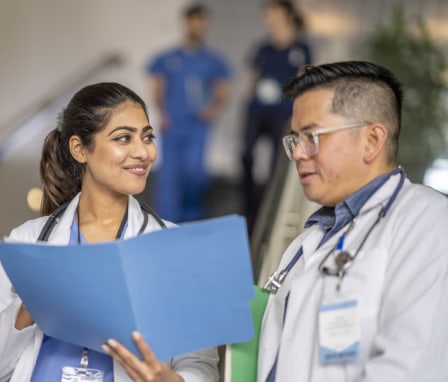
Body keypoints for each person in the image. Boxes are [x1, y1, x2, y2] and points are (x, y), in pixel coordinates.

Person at [0, 82, 219, 381]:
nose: (143, 152)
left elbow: (202, 367)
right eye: (124, 138)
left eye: (147, 137)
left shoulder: (177, 249)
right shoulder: (27, 242)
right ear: (80, 149)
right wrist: (29, 308)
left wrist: (165, 379)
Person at [258, 61, 448, 381]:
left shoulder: (428, 222)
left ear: (372, 140)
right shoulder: (309, 241)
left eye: (312, 136)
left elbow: (412, 367)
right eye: (294, 140)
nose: (299, 154)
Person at [146, 3, 232, 223]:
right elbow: (157, 87)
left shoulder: (213, 60)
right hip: (173, 123)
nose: (198, 27)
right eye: (194, 22)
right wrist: (161, 112)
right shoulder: (168, 58)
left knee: (195, 173)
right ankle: (164, 222)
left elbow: (222, 90)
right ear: (186, 23)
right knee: (169, 176)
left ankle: (191, 220)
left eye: (202, 23)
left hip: (198, 126)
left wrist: (213, 109)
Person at [241, 0, 312, 232]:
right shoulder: (263, 49)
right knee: (246, 155)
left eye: (273, 12)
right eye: (267, 14)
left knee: (275, 165)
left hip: (282, 116)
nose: (269, 18)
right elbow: (250, 83)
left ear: (286, 14)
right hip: (257, 113)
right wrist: (242, 117)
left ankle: (267, 212)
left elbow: (306, 84)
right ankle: (248, 209)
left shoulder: (301, 50)